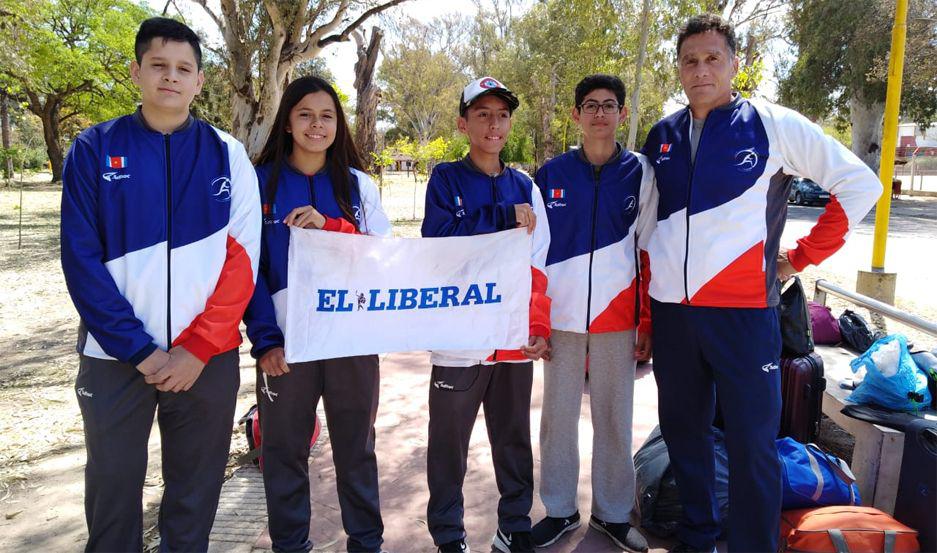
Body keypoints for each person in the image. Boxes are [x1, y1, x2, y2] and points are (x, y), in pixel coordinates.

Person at [640, 14, 881, 553]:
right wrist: (647, 314)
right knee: (685, 435)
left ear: (735, 64)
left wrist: (800, 257)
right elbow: (647, 229)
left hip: (744, 315)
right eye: (690, 60)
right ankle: (697, 538)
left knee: (753, 445)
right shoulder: (663, 136)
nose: (701, 69)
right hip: (674, 317)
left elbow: (860, 184)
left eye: (712, 58)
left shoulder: (772, 123)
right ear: (679, 69)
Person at [60, 17, 260, 552]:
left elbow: (242, 262)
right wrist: (141, 352)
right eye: (159, 65)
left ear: (199, 81)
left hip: (206, 360)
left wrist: (196, 348)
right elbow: (80, 261)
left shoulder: (227, 154)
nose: (170, 77)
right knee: (112, 494)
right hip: (115, 359)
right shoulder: (93, 148)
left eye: (184, 69)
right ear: (136, 72)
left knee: (193, 500)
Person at [243, 76, 392, 553]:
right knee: (284, 452)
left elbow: (381, 259)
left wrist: (331, 226)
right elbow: (247, 269)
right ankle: (291, 545)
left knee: (357, 450)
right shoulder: (257, 181)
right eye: (305, 114)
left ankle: (366, 543)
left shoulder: (358, 185)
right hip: (287, 346)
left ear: (338, 123)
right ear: (287, 120)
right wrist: (265, 339)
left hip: (350, 341)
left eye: (327, 115)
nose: (316, 125)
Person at [421, 76, 551, 553]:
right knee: (448, 444)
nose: (494, 124)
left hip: (512, 337)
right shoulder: (445, 178)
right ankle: (449, 535)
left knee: (514, 439)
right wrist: (499, 218)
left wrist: (536, 326)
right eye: (482, 114)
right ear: (463, 123)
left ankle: (514, 524)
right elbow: (437, 241)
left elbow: (539, 263)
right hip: (459, 339)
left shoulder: (526, 186)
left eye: (501, 115)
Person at [531, 74, 655, 552]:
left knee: (613, 418)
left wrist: (646, 321)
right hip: (561, 321)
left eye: (609, 105)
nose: (600, 113)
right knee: (557, 420)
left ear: (622, 114)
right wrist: (537, 321)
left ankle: (613, 515)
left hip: (617, 319)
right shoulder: (551, 174)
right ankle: (560, 510)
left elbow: (648, 252)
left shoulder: (641, 173)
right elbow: (536, 254)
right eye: (590, 105)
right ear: (576, 115)